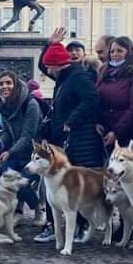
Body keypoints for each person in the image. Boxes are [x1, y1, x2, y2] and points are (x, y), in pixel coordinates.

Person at [34, 40, 102, 242]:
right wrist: (49, 44)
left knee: (75, 185)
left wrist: (71, 121)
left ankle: (80, 226)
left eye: (49, 66)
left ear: (56, 65)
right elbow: (42, 65)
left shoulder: (77, 76)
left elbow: (92, 99)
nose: (47, 71)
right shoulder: (64, 77)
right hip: (65, 139)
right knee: (55, 183)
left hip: (79, 140)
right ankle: (54, 226)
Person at [0, 71, 42, 213]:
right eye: (1, 84)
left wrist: (9, 151)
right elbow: (8, 132)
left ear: (16, 85)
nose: (4, 86)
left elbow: (28, 136)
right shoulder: (4, 105)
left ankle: (38, 210)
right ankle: (17, 210)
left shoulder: (30, 104)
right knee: (4, 176)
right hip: (17, 152)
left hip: (35, 154)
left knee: (20, 184)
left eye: (8, 83)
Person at [95, 36, 133, 154]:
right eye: (112, 51)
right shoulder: (105, 72)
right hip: (109, 134)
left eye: (119, 51)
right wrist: (98, 121)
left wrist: (116, 131)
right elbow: (97, 99)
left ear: (129, 52)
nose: (115, 54)